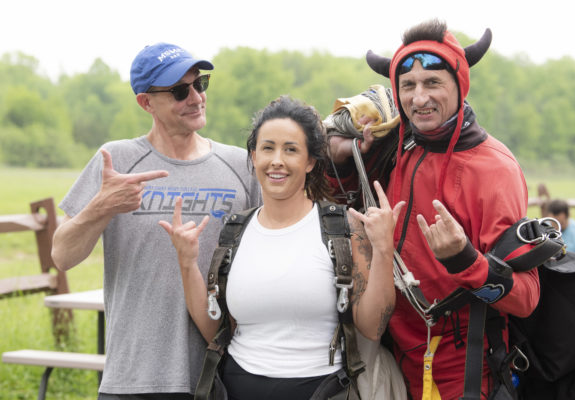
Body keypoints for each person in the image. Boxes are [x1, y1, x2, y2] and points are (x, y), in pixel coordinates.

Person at [326, 19, 540, 399]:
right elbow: (331, 197)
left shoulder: (494, 169)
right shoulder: (397, 146)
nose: (418, 98)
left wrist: (465, 260)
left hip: (466, 371)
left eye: (433, 83)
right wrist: (344, 157)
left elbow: (525, 298)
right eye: (407, 85)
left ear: (459, 86)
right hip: (391, 356)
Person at [51, 43, 261, 399]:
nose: (196, 97)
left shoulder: (240, 165)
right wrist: (101, 206)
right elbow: (62, 256)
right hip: (133, 378)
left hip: (219, 376)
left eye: (200, 84)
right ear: (146, 103)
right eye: (180, 91)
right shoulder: (116, 160)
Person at [159, 95, 403, 399]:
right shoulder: (235, 232)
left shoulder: (341, 229)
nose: (277, 160)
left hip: (321, 390)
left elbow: (372, 328)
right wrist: (186, 262)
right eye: (268, 148)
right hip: (236, 387)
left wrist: (381, 250)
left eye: (291, 150)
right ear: (254, 155)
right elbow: (214, 330)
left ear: (311, 161)